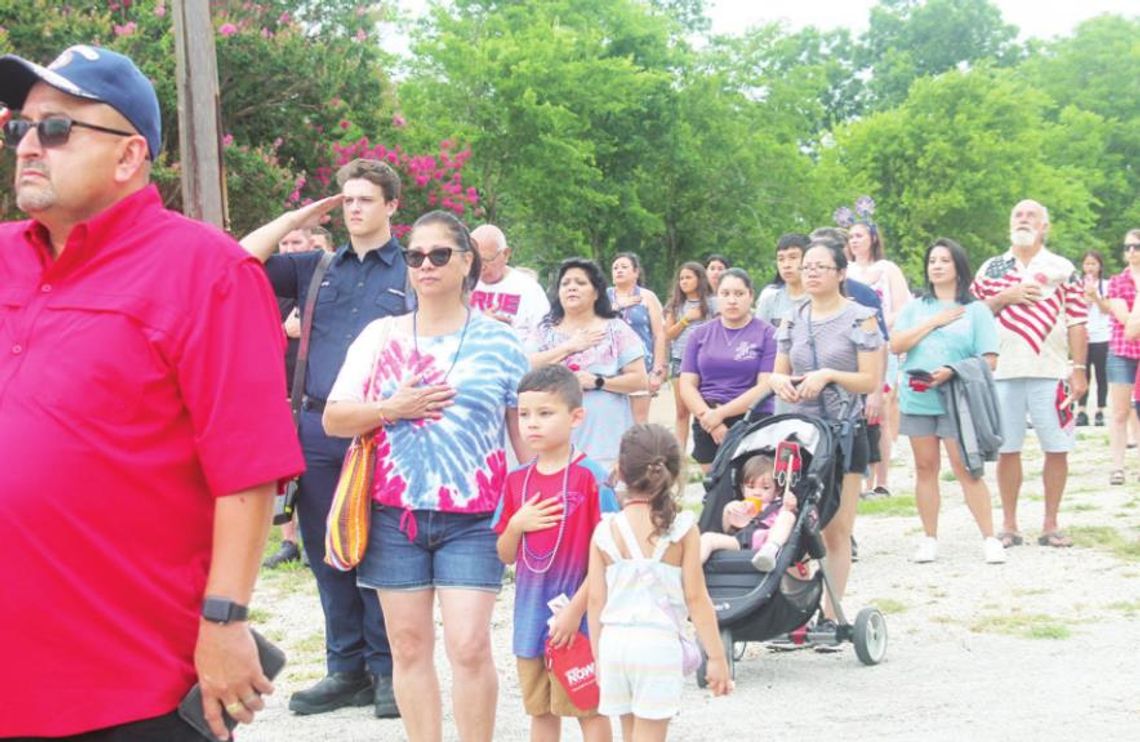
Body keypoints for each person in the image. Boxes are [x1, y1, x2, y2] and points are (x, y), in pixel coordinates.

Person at [0, 46, 303, 740]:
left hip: (128, 686)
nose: (28, 147)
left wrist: (226, 622)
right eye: (19, 127)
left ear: (129, 156)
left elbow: (248, 472)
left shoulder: (207, 272)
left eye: (56, 129)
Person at [324, 210, 529, 742]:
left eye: (439, 254)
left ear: (468, 264)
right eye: (415, 256)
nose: (425, 265)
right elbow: (334, 418)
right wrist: (394, 407)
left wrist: (552, 496)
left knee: (468, 645)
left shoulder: (502, 343)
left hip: (476, 518)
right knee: (408, 648)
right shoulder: (380, 335)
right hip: (395, 517)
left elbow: (524, 436)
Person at [240, 158, 411, 717]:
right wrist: (298, 214)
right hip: (315, 426)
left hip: (383, 426)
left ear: (391, 206)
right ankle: (347, 670)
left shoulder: (413, 269)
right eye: (347, 199)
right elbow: (238, 258)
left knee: (382, 547)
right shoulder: (314, 267)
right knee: (324, 551)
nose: (355, 207)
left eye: (366, 198)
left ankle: (388, 669)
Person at [494, 365, 617, 742]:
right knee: (541, 711)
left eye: (545, 413)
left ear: (576, 416)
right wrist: (517, 524)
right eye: (525, 414)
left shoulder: (593, 478)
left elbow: (612, 556)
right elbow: (505, 555)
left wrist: (575, 610)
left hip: (580, 622)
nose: (532, 424)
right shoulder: (517, 481)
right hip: (532, 620)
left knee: (588, 708)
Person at [587, 424, 732, 740]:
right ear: (673, 471)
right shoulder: (682, 529)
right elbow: (697, 599)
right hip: (656, 647)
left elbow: (595, 602)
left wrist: (598, 658)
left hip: (613, 645)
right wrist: (717, 658)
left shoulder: (604, 530)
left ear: (620, 470)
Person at [768, 239, 883, 634]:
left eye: (821, 266)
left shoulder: (861, 317)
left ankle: (830, 618)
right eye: (807, 266)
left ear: (840, 272)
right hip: (800, 436)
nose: (812, 272)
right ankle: (791, 614)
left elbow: (870, 379)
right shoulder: (791, 318)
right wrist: (781, 382)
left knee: (836, 528)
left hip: (846, 432)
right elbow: (776, 370)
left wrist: (830, 376)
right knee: (792, 524)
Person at [971, 199, 1087, 548]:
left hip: (1051, 371)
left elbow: (1078, 320)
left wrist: (1079, 368)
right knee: (1008, 449)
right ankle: (1008, 524)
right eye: (1018, 215)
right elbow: (974, 315)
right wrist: (1006, 296)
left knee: (1057, 447)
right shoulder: (991, 268)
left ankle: (1051, 523)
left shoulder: (1062, 267)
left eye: (1031, 215)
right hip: (1002, 372)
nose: (1023, 220)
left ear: (1045, 226)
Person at [890, 239, 1006, 564]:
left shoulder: (976, 310)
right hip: (918, 397)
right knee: (925, 468)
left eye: (944, 260)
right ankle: (929, 537)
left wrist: (952, 371)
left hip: (959, 400)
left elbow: (990, 359)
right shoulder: (915, 308)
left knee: (966, 468)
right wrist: (932, 323)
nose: (937, 266)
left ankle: (989, 537)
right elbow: (896, 345)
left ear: (958, 267)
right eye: (932, 261)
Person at [528, 258, 648, 471]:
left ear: (596, 292)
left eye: (581, 283)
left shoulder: (615, 329)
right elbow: (526, 365)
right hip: (554, 441)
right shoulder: (544, 331)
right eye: (565, 283)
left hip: (605, 442)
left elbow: (639, 380)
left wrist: (598, 381)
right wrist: (569, 347)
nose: (572, 287)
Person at [678, 268, 777, 472]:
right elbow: (687, 385)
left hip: (752, 418)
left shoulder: (768, 334)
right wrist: (711, 419)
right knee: (714, 491)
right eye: (725, 294)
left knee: (751, 489)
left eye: (739, 294)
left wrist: (721, 414)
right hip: (707, 418)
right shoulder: (699, 335)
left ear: (751, 296)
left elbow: (766, 386)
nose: (732, 300)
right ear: (717, 296)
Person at [845, 220, 909, 498]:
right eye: (850, 237)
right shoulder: (845, 271)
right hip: (848, 346)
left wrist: (876, 323)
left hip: (881, 341)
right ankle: (858, 480)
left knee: (880, 409)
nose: (854, 241)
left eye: (859, 235)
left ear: (872, 237)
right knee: (853, 412)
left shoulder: (887, 269)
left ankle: (882, 480)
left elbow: (902, 306)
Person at [1093, 230, 1140, 485]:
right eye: (1127, 247)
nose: (1131, 252)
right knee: (1120, 412)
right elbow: (1126, 323)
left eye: (1137, 246)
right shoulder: (1117, 282)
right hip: (1123, 351)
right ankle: (1118, 466)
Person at [698, 455, 798, 571]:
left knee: (788, 516)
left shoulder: (778, 504)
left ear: (777, 491)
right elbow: (726, 530)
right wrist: (728, 511)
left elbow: (788, 521)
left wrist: (790, 506)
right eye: (751, 487)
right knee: (707, 538)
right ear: (742, 488)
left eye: (765, 488)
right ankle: (692, 568)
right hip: (741, 541)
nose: (757, 492)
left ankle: (770, 550)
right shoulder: (741, 505)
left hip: (767, 539)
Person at [608, 252, 668, 425]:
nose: (619, 271)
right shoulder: (603, 297)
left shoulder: (647, 297)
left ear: (636, 272)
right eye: (615, 268)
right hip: (609, 369)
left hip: (641, 367)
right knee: (611, 422)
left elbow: (659, 335)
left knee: (638, 423)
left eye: (624, 267)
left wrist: (657, 371)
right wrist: (619, 306)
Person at [663, 261, 716, 450]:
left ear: (699, 279)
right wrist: (687, 319)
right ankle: (679, 457)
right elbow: (668, 334)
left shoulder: (713, 302)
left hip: (708, 362)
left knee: (708, 409)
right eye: (681, 278)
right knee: (682, 412)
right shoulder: (676, 305)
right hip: (681, 361)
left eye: (688, 277)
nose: (683, 281)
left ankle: (709, 453)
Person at [470, 223, 550, 340]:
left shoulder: (528, 288)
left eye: (486, 260)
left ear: (506, 254)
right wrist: (480, 324)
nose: (481, 267)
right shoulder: (460, 285)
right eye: (474, 260)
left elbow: (544, 333)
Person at [1078, 250, 1110, 426]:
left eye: (1093, 264)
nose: (1090, 267)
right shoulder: (1077, 285)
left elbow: (1107, 309)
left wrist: (1095, 296)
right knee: (1083, 373)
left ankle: (1100, 409)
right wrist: (1085, 298)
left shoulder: (1106, 285)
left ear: (1100, 266)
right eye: (1087, 264)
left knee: (1101, 374)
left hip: (1103, 336)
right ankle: (1081, 410)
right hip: (1083, 336)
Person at [755, 233, 811, 327]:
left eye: (793, 258)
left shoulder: (820, 299)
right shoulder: (770, 299)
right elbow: (758, 337)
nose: (786, 265)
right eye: (781, 259)